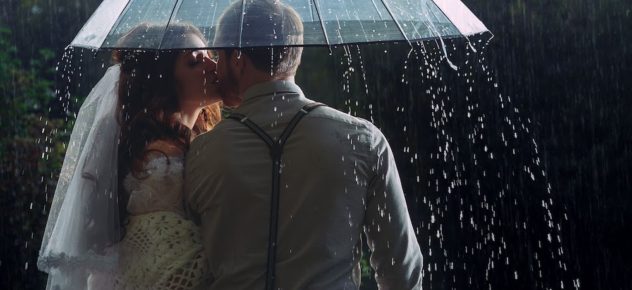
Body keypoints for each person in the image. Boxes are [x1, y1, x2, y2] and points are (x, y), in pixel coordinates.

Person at [184, 1, 424, 289]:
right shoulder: (363, 140)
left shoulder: (202, 153)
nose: (216, 67)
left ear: (237, 59)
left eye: (218, 55)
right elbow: (401, 270)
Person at [37, 23, 223, 290]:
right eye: (194, 62)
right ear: (164, 79)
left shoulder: (203, 138)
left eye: (210, 56)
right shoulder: (156, 153)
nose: (212, 66)